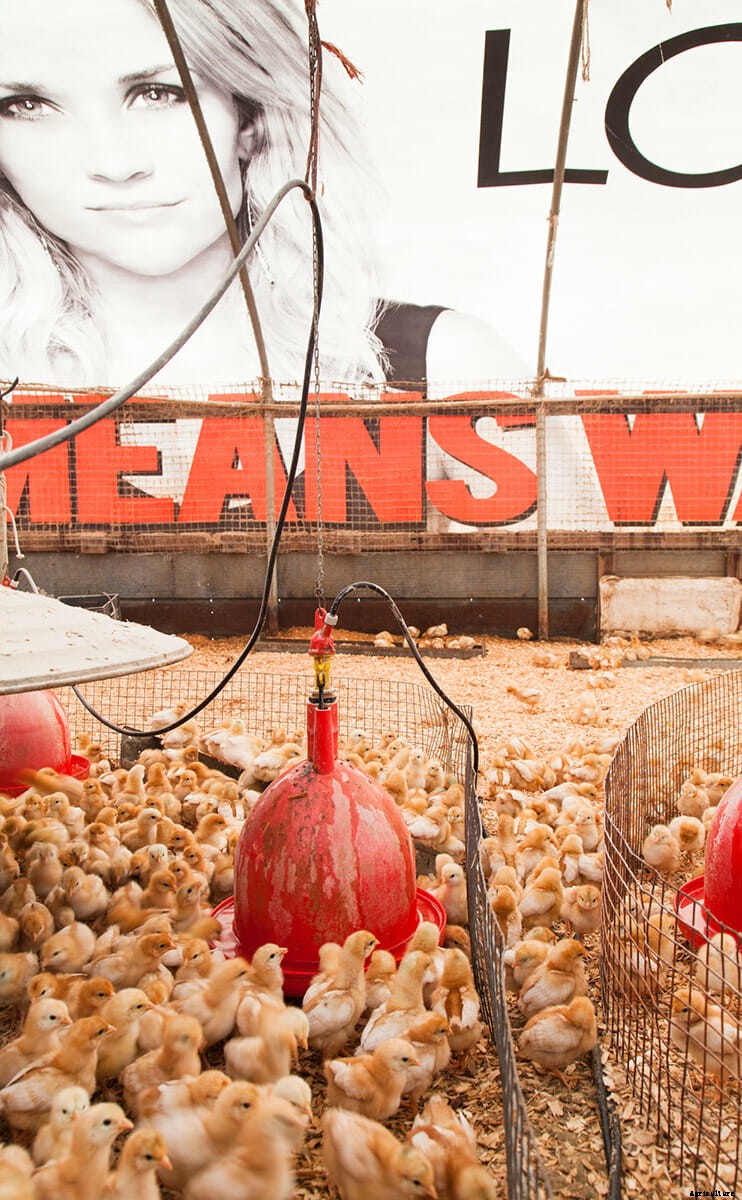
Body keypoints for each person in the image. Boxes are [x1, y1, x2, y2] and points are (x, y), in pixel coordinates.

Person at [0, 0, 525, 395]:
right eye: (28, 106)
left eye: (159, 95)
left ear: (250, 117)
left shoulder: (447, 365)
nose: (114, 165)